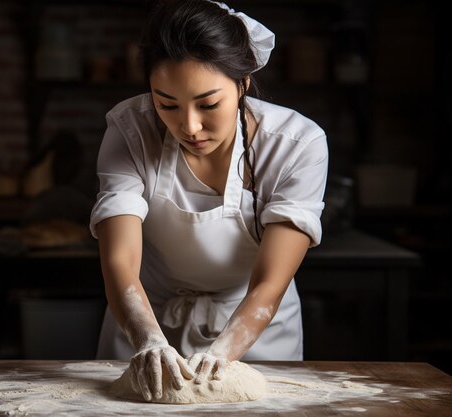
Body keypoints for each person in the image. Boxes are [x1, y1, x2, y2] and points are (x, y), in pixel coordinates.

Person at [89, 0, 329, 402]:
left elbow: (269, 282)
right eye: (166, 104)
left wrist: (222, 353)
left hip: (256, 333)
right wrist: (149, 340)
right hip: (146, 320)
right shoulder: (131, 130)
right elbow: (120, 261)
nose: (190, 125)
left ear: (243, 83)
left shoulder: (296, 144)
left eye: (208, 104)